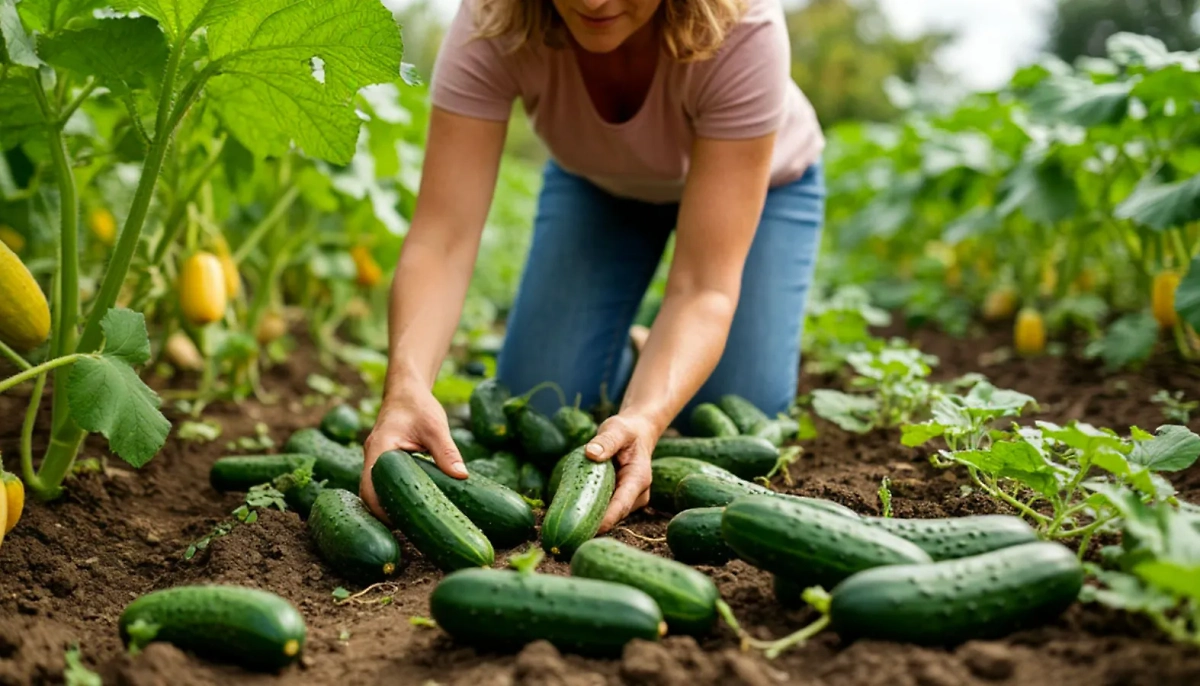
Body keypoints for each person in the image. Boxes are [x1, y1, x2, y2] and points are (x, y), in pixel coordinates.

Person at [360, 0, 825, 534]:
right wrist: (406, 386)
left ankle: (656, 362)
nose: (593, 2)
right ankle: (642, 351)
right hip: (600, 183)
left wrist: (646, 417)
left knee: (742, 408)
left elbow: (703, 288)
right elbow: (442, 239)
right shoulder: (494, 16)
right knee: (540, 404)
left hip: (764, 187)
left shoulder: (743, 25)